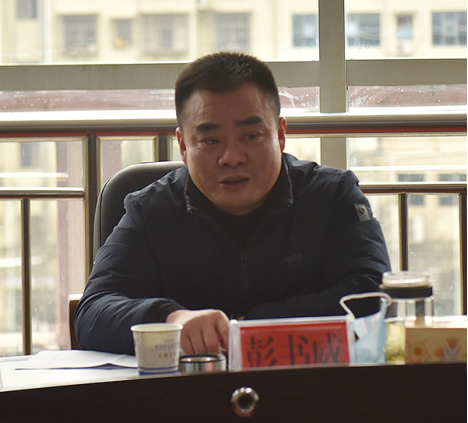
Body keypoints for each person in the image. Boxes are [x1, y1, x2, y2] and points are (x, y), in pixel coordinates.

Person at [75, 52, 391, 356]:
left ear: (280, 135)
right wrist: (170, 320)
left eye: (250, 136)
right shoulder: (151, 211)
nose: (232, 158)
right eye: (210, 141)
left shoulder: (332, 196)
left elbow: (373, 293)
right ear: (183, 146)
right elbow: (93, 311)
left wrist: (249, 327)